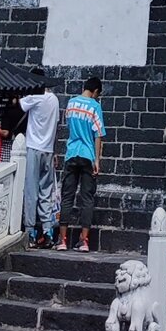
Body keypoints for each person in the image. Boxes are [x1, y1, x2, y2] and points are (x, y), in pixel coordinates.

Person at [58, 76, 105, 252]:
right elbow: (98, 134)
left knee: (67, 196)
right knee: (87, 198)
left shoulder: (71, 103)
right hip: (87, 155)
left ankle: (62, 240)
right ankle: (84, 241)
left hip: (71, 153)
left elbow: (70, 127)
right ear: (95, 91)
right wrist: (97, 160)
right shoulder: (95, 106)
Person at [18, 68, 60, 248]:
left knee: (31, 191)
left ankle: (30, 231)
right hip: (49, 150)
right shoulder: (54, 99)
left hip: (34, 148)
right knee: (45, 192)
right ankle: (47, 230)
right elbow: (57, 125)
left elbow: (18, 104)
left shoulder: (33, 98)